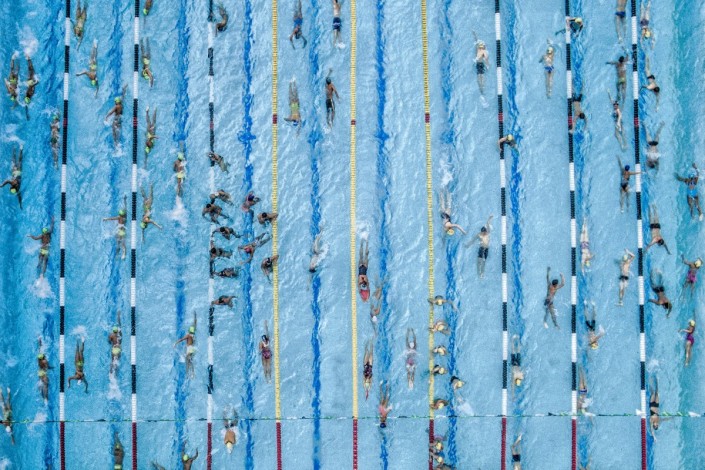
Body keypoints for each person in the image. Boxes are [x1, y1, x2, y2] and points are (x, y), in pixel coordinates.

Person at [174, 313, 197, 378]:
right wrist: (195, 317)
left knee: (187, 361)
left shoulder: (188, 335)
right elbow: (194, 324)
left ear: (189, 331)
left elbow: (181, 339)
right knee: (190, 360)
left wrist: (175, 343)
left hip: (189, 349)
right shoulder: (193, 335)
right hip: (192, 348)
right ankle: (193, 373)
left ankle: (187, 374)